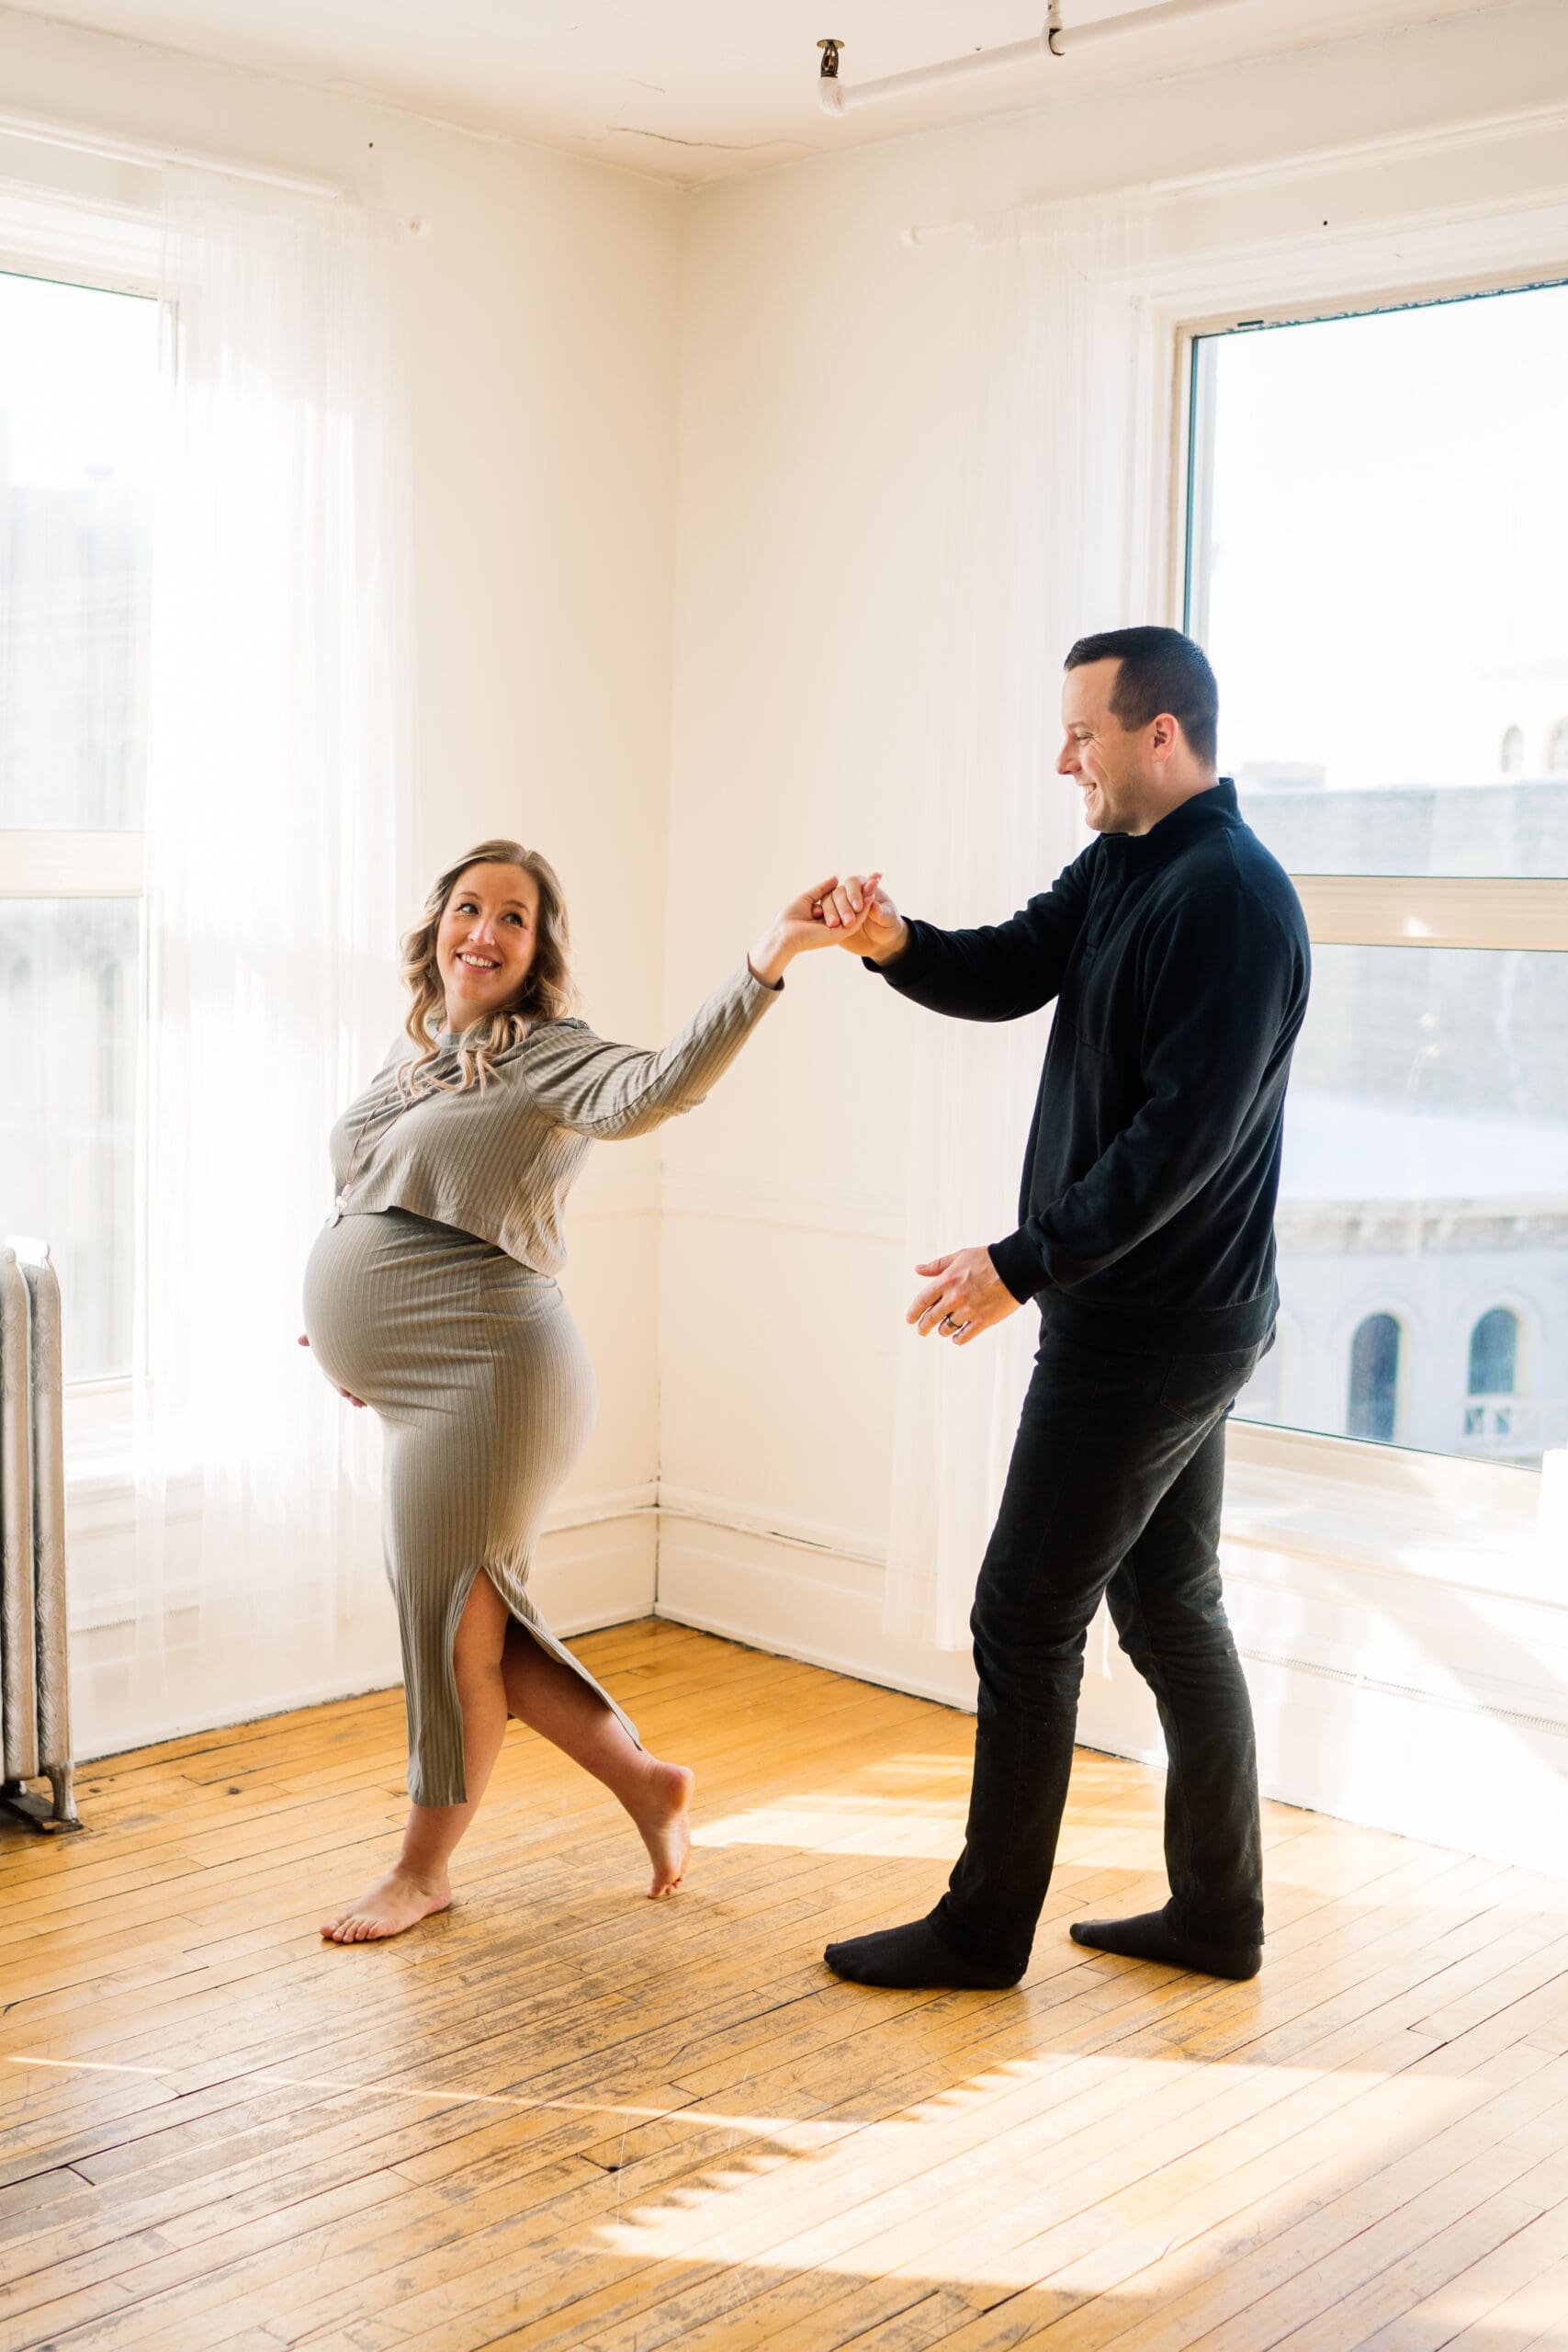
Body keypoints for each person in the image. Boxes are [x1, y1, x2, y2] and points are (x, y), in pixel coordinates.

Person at [818, 627, 1310, 1991]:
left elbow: (1174, 1148)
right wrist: (888, 940)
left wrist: (1015, 1263)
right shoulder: (1126, 862)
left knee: (1023, 1615)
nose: (1061, 758)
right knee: (1166, 1612)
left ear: (1159, 735)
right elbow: (1007, 964)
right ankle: (1217, 1916)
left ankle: (982, 1933)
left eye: (1080, 735)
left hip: (1151, 1329)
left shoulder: (1229, 898)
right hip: (1166, 1317)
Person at [302, 838, 874, 1943]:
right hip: (423, 1367)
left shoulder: (550, 1056)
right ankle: (647, 1785)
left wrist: (772, 954)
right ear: (437, 926)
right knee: (483, 1628)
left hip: (491, 1375)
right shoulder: (423, 1044)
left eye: (513, 918)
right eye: (469, 907)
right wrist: (343, 1317)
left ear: (537, 948)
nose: (484, 931)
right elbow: (380, 1188)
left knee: (444, 1625)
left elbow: (661, 1088)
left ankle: (422, 1871)